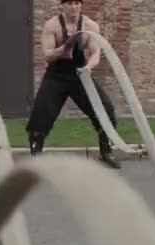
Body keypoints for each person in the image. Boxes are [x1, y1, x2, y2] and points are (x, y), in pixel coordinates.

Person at [25, 0, 121, 169]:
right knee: (41, 112)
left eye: (77, 3)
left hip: (80, 74)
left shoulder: (90, 26)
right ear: (62, 6)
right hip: (56, 75)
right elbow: (47, 56)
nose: (74, 7)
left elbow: (95, 53)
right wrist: (64, 47)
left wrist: (89, 66)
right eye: (69, 3)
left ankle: (106, 152)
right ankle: (36, 156)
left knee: (105, 109)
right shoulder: (52, 25)